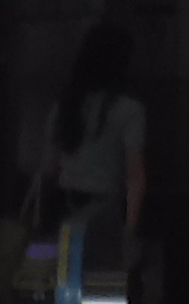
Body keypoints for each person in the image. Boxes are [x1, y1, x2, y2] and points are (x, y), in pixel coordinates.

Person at [47, 21, 147, 265]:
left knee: (66, 274)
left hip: (65, 204)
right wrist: (130, 229)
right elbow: (135, 177)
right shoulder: (129, 110)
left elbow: (50, 164)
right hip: (105, 209)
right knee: (103, 278)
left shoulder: (65, 107)